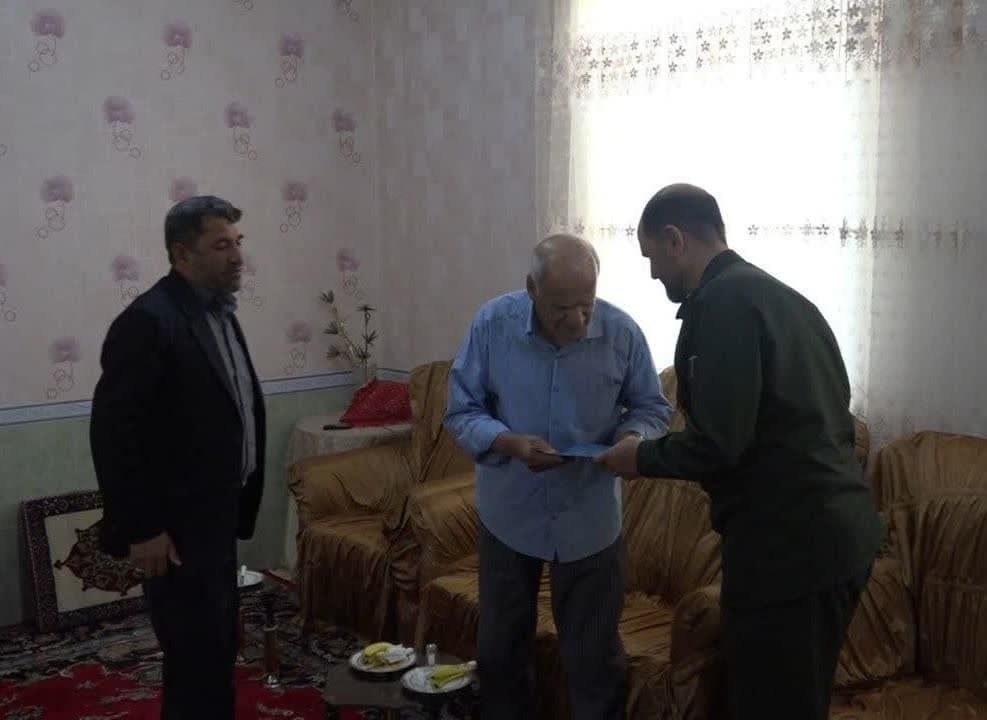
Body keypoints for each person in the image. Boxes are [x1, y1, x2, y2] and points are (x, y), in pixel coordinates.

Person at [596, 184, 885, 720]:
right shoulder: (784, 300)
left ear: (675, 239)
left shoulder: (721, 306)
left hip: (788, 550)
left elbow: (719, 443)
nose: (653, 275)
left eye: (651, 258)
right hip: (837, 536)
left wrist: (640, 457)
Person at [445, 234, 671, 720]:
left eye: (586, 306)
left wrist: (634, 438)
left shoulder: (622, 332)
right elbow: (462, 410)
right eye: (562, 309)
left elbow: (653, 408)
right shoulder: (492, 325)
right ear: (531, 288)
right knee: (501, 653)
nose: (577, 322)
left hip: (589, 520)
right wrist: (508, 442)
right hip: (510, 513)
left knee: (596, 662)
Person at [90, 195, 266, 720]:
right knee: (193, 656)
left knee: (216, 650)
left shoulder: (218, 312)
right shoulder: (148, 320)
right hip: (175, 530)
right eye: (221, 245)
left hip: (217, 516)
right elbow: (115, 434)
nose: (237, 257)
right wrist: (143, 527)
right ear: (182, 254)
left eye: (238, 243)